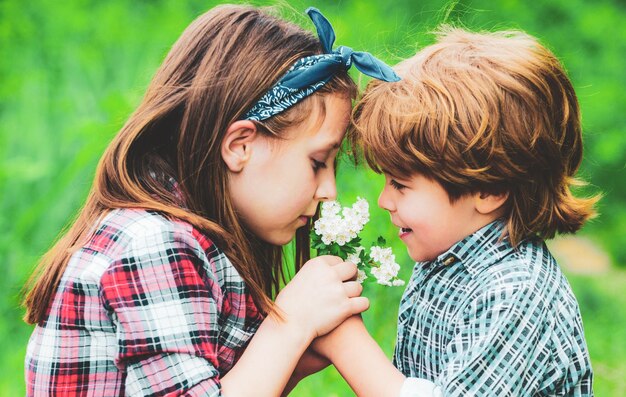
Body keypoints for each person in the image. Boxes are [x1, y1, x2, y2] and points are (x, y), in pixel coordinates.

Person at [22, 6, 399, 396]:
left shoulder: (198, 241)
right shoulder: (154, 244)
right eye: (318, 162)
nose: (329, 191)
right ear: (240, 146)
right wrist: (293, 324)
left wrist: (295, 359)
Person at [312, 27, 599, 396]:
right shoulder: (449, 257)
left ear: (488, 189)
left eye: (400, 184)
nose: (385, 200)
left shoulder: (514, 292)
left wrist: (345, 341)